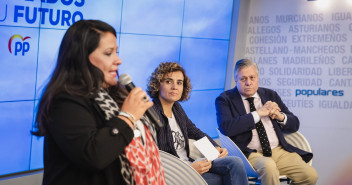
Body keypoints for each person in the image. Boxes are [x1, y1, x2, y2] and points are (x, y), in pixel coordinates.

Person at [32, 20, 165, 185]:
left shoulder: (116, 94)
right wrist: (128, 116)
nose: (118, 60)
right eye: (109, 53)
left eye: (117, 52)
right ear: (82, 57)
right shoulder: (64, 100)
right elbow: (93, 156)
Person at [215, 59, 318, 185]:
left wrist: (279, 116)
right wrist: (258, 114)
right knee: (269, 167)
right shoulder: (224, 99)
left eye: (252, 77)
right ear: (236, 79)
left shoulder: (270, 95)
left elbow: (294, 124)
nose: (248, 83)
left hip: (278, 151)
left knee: (310, 176)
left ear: (258, 78)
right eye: (243, 79)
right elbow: (227, 128)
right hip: (249, 154)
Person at [147, 62, 248, 185]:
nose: (175, 87)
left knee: (235, 162)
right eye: (168, 81)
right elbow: (155, 158)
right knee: (221, 179)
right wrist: (188, 170)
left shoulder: (177, 108)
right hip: (175, 174)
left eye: (179, 82)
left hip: (190, 164)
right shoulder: (150, 113)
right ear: (158, 85)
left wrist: (215, 148)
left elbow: (195, 132)